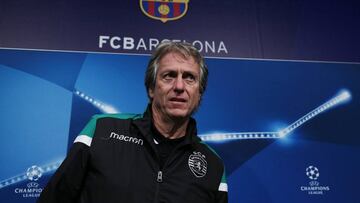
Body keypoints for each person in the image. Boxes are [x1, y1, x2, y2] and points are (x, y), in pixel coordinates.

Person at [38, 41, 228, 203]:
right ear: (151, 88)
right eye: (169, 75)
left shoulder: (213, 165)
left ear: (199, 93)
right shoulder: (102, 130)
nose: (179, 86)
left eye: (190, 78)